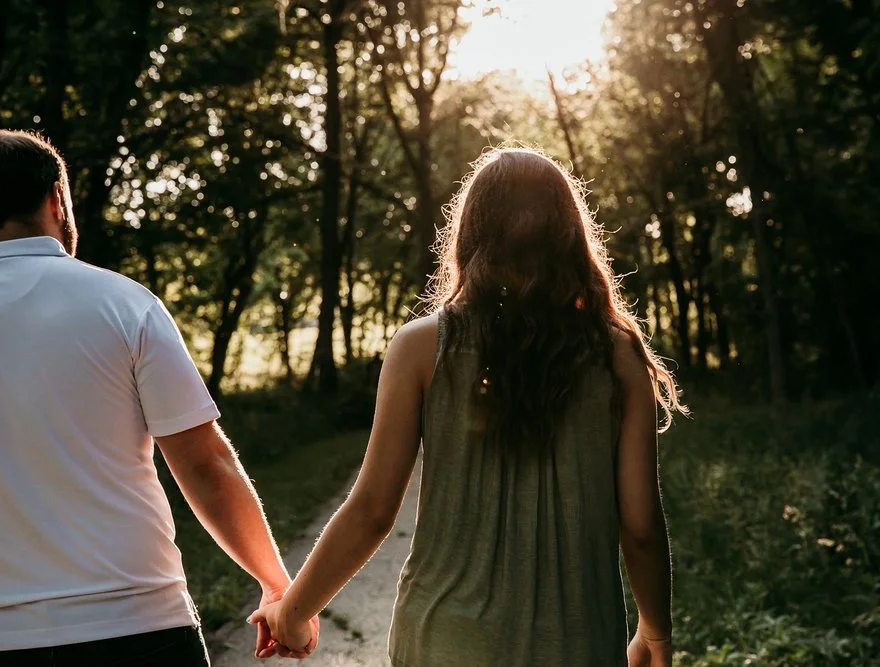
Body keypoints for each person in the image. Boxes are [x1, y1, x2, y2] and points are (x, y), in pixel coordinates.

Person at [250, 146, 685, 666]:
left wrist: (293, 614)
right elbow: (640, 524)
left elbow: (370, 512)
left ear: (471, 236)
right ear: (570, 238)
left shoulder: (420, 347)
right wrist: (655, 633)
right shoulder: (617, 355)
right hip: (578, 639)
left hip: (443, 638)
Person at [0, 129, 318, 665]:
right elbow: (206, 464)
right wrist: (280, 588)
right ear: (56, 199)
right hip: (139, 627)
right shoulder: (123, 305)